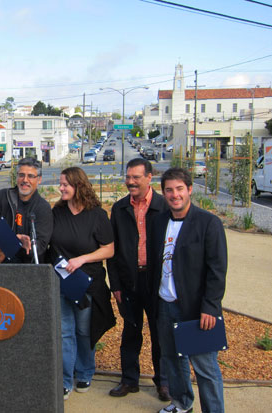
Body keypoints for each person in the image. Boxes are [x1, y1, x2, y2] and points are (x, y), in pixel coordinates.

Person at [152, 168, 227, 413]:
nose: (175, 195)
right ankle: (182, 403)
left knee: (205, 367)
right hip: (165, 304)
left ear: (190, 189)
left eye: (179, 189)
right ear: (163, 193)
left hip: (195, 309)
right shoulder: (160, 221)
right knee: (172, 359)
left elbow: (217, 270)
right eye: (169, 190)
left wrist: (210, 307)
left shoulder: (208, 223)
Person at [48, 167, 115, 401]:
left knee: (83, 331)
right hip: (61, 282)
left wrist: (82, 259)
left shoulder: (97, 215)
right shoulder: (56, 212)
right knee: (65, 332)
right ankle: (66, 380)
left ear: (78, 186)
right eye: (60, 183)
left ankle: (85, 371)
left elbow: (109, 248)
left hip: (87, 283)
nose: (61, 188)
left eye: (65, 184)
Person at [107, 158, 170, 401]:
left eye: (136, 177)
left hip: (157, 283)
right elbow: (112, 251)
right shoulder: (120, 208)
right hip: (129, 282)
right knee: (131, 332)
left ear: (149, 177)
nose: (130, 182)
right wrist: (116, 285)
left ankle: (162, 382)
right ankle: (129, 380)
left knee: (160, 334)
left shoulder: (164, 207)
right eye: (128, 177)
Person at [0, 157, 53, 263]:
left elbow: (40, 247)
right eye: (21, 175)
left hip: (27, 268)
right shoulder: (3, 196)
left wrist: (16, 242)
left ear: (39, 179)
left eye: (30, 176)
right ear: (16, 176)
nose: (25, 180)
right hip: (1, 266)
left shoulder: (43, 208)